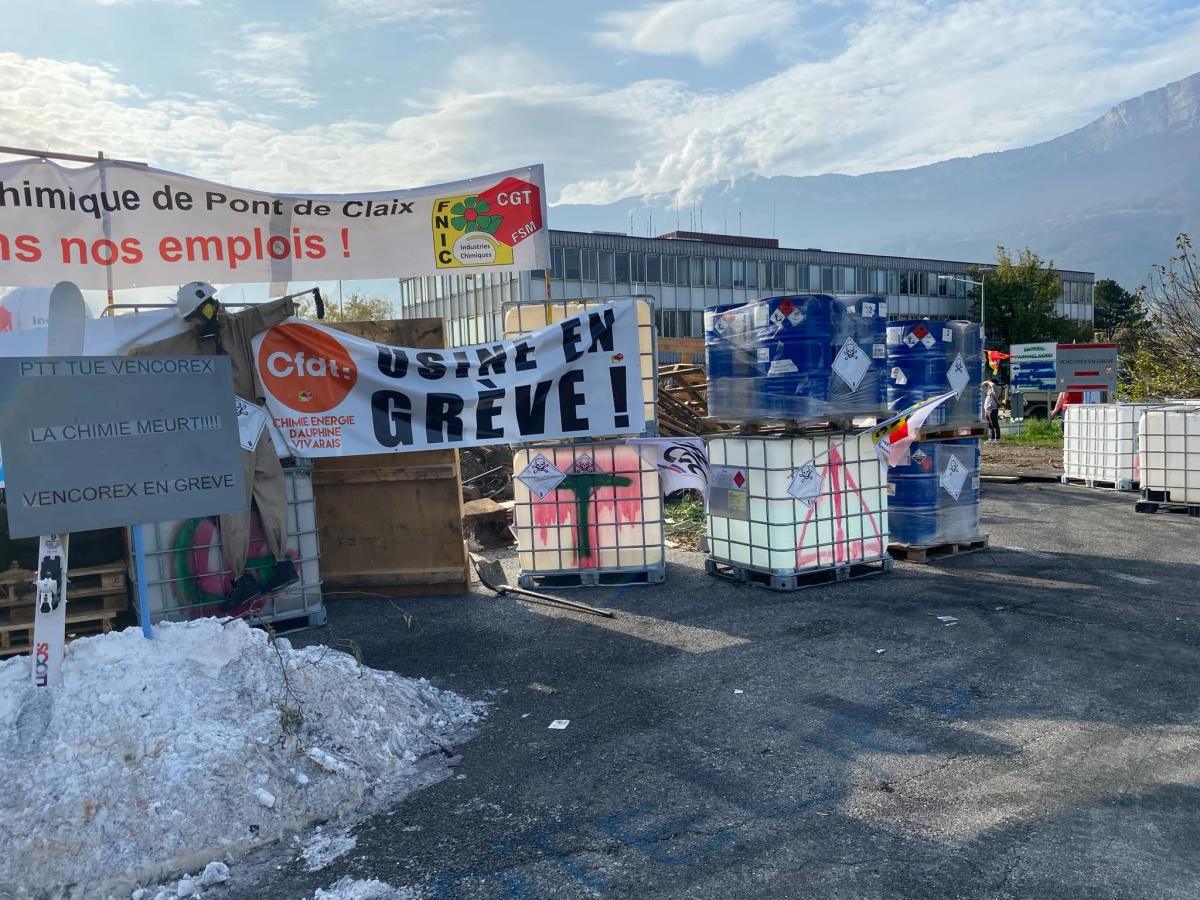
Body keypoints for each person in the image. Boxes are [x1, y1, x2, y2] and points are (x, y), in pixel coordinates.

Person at [135, 282, 298, 611]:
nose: (200, 322)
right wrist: (141, 355)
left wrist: (289, 304)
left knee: (242, 498)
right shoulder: (210, 335)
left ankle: (245, 577)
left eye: (201, 314)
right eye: (195, 318)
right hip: (251, 423)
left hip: (240, 426)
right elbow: (168, 348)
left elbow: (262, 314)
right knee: (265, 490)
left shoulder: (235, 326)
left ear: (211, 307)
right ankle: (279, 566)